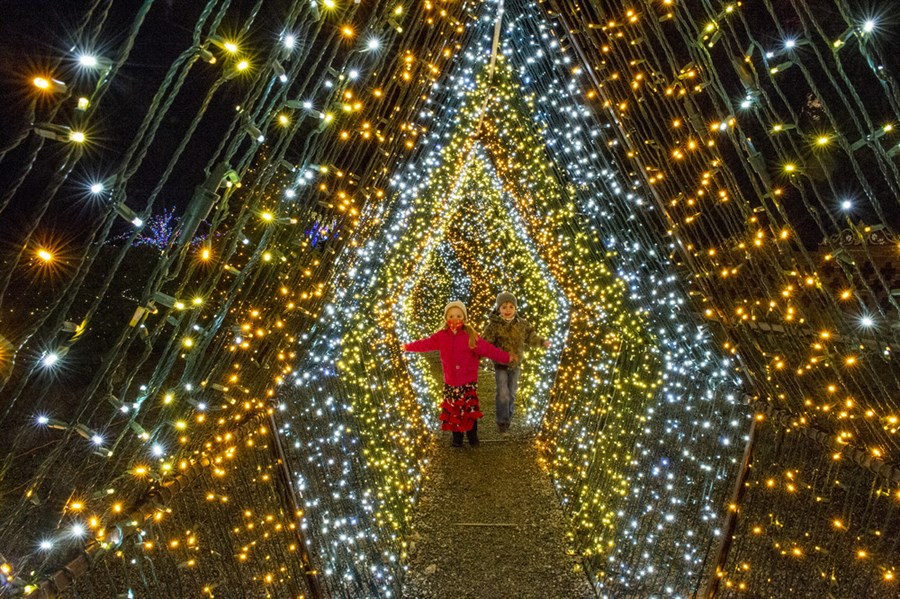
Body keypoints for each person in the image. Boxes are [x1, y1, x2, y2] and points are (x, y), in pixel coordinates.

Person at [403, 300, 517, 447]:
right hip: (451, 382)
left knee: (469, 410)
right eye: (451, 316)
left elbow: (489, 350)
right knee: (454, 411)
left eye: (458, 315)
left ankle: (472, 436)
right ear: (446, 318)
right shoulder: (441, 336)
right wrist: (407, 347)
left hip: (467, 382)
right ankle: (457, 438)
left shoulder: (470, 336)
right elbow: (425, 344)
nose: (455, 319)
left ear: (464, 317)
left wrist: (506, 357)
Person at [482, 292, 550, 435]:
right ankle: (502, 421)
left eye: (511, 307)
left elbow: (531, 337)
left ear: (516, 308)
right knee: (503, 393)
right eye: (504, 307)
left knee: (511, 393)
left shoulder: (522, 325)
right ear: (498, 308)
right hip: (500, 364)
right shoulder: (494, 326)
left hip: (515, 364)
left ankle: (509, 415)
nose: (507, 310)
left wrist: (542, 342)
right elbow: (485, 342)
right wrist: (477, 353)